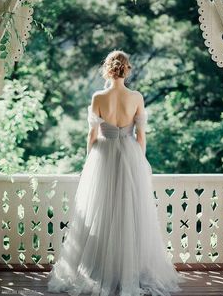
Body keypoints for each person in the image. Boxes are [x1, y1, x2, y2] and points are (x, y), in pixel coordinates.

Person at [47, 50, 185, 296]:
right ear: (127, 69)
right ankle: (127, 270)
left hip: (103, 156)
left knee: (101, 213)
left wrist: (89, 160)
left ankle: (100, 270)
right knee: (130, 215)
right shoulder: (136, 97)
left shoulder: (98, 97)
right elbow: (141, 135)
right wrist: (140, 162)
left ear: (107, 69)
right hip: (130, 155)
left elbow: (91, 135)